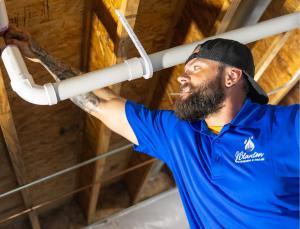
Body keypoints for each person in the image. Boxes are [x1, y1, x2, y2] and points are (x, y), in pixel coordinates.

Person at [3, 26, 299, 229]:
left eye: (196, 69)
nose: (182, 78)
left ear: (232, 76)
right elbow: (100, 102)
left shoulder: (286, 126)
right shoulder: (180, 133)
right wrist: (39, 54)